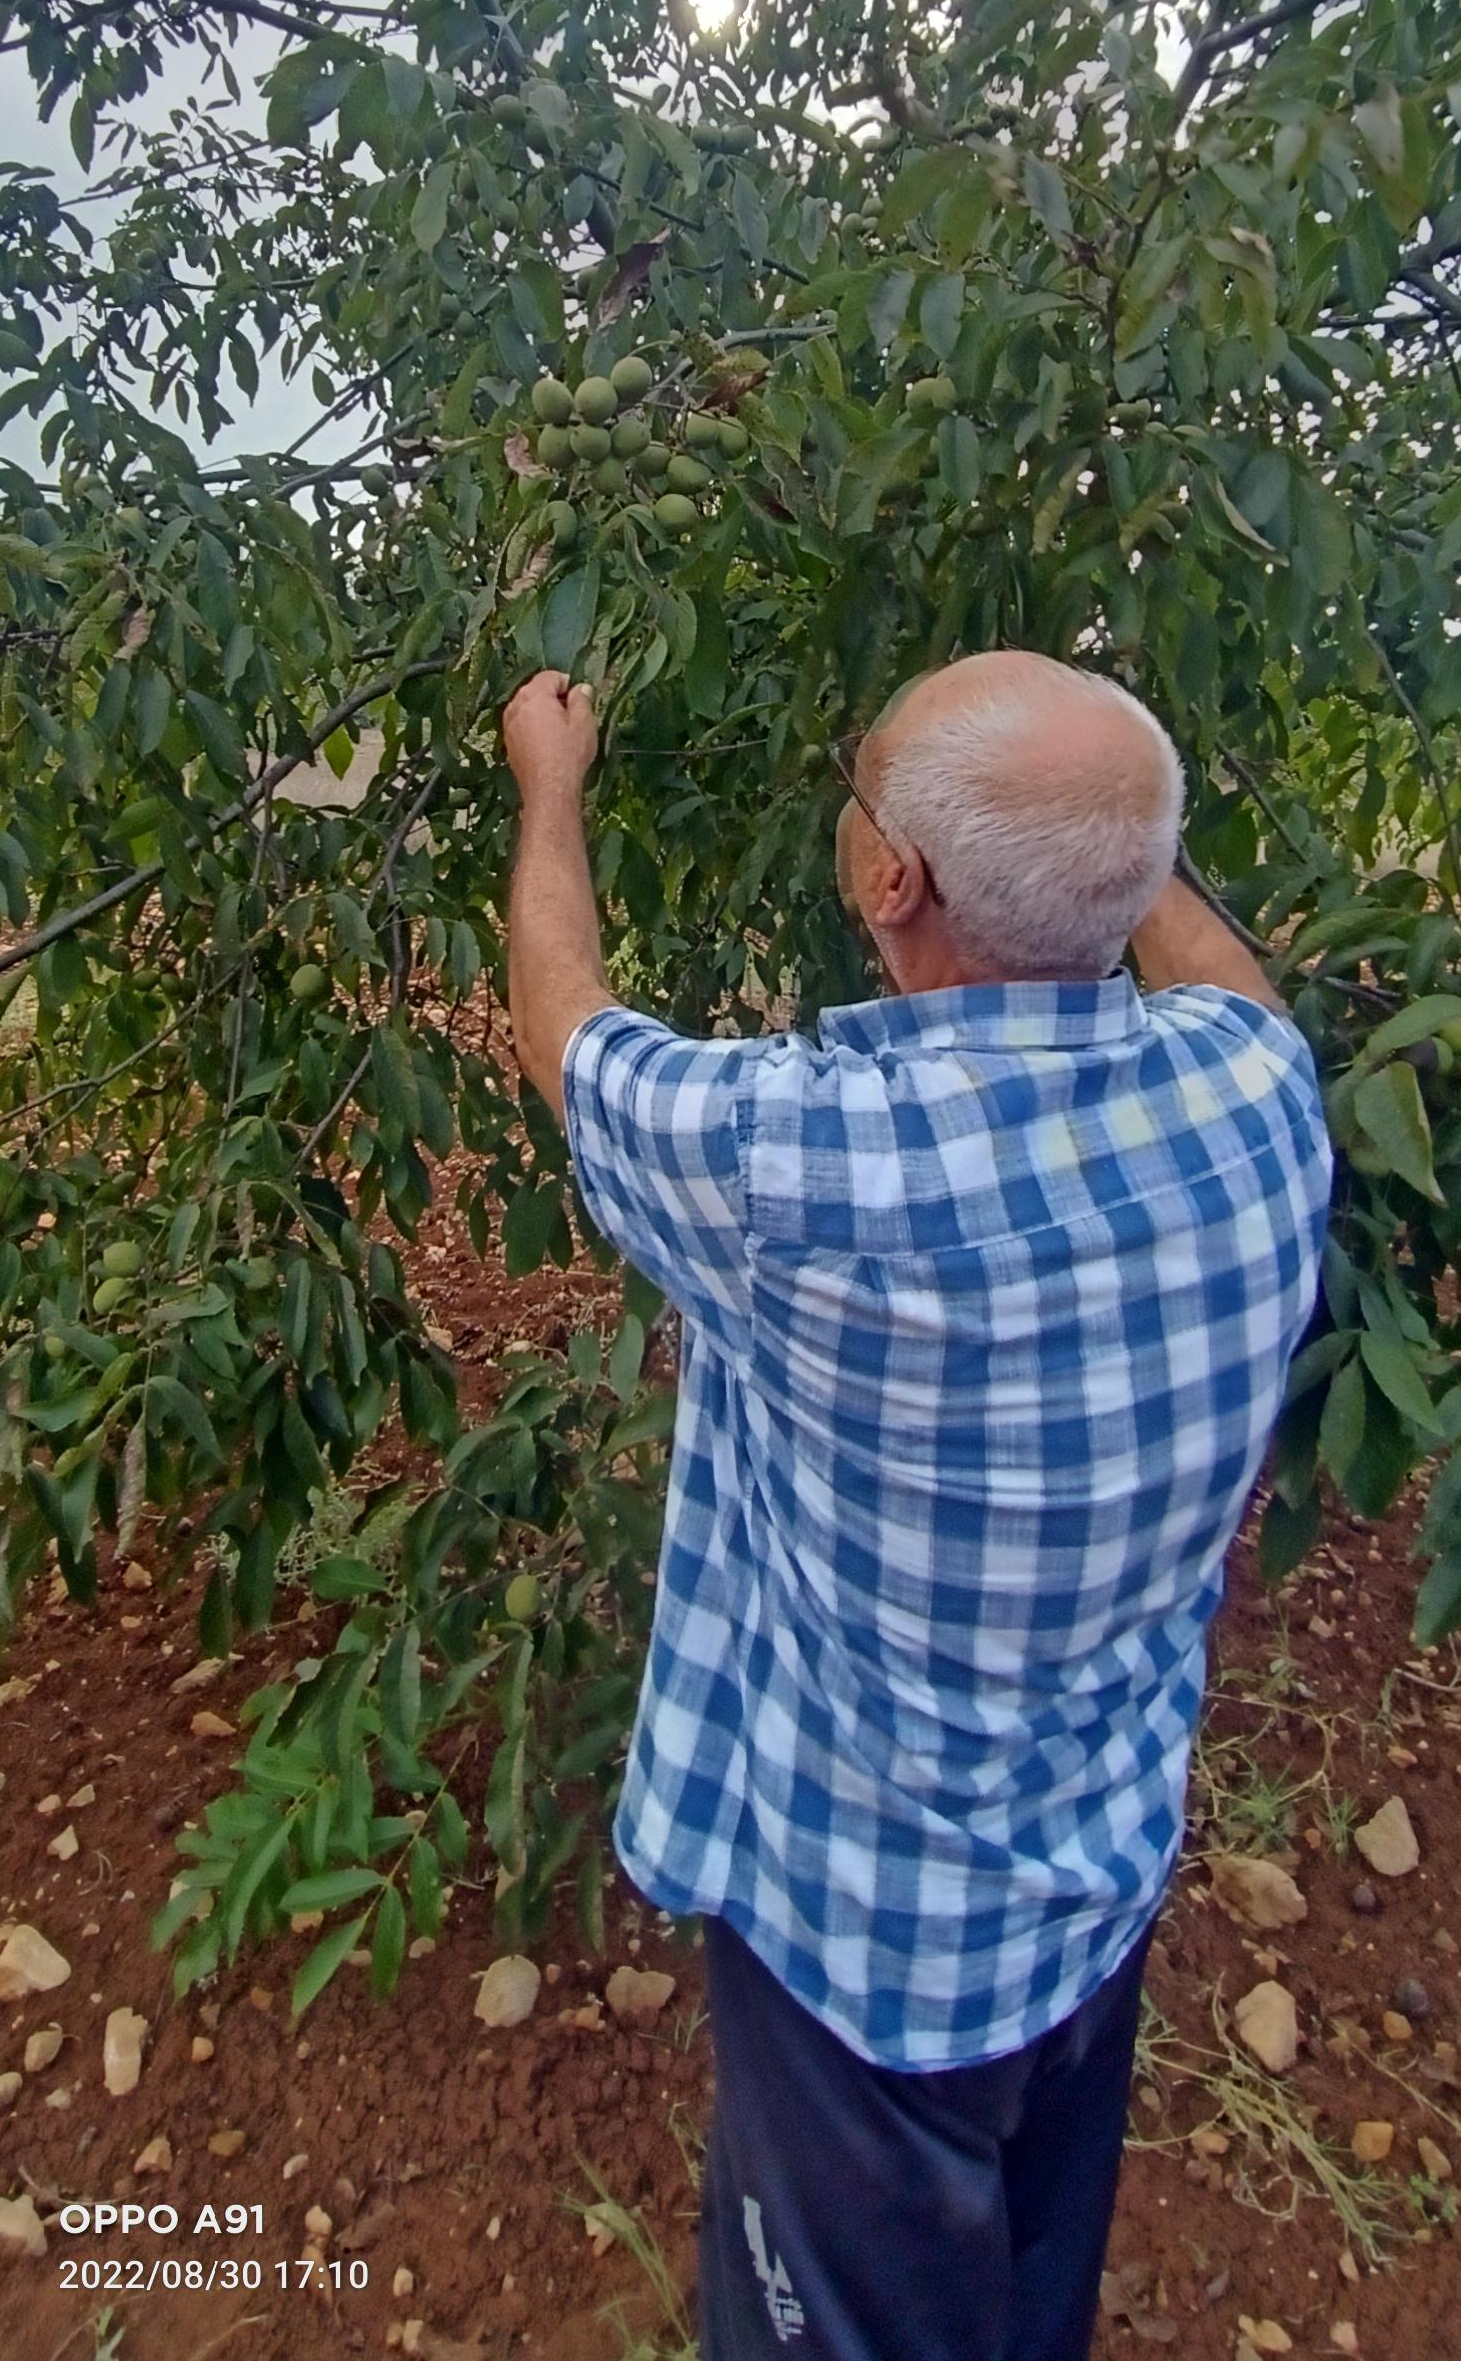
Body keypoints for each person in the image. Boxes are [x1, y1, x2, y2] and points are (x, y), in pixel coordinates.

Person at [500, 649, 1332, 2361]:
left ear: (889, 880)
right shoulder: (1256, 1106)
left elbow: (565, 1031)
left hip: (868, 1964)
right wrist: (1111, 849)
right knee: (1026, 2303)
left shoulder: (802, 1168)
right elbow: (1231, 986)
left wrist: (551, 788)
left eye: (864, 809)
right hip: (1095, 1890)